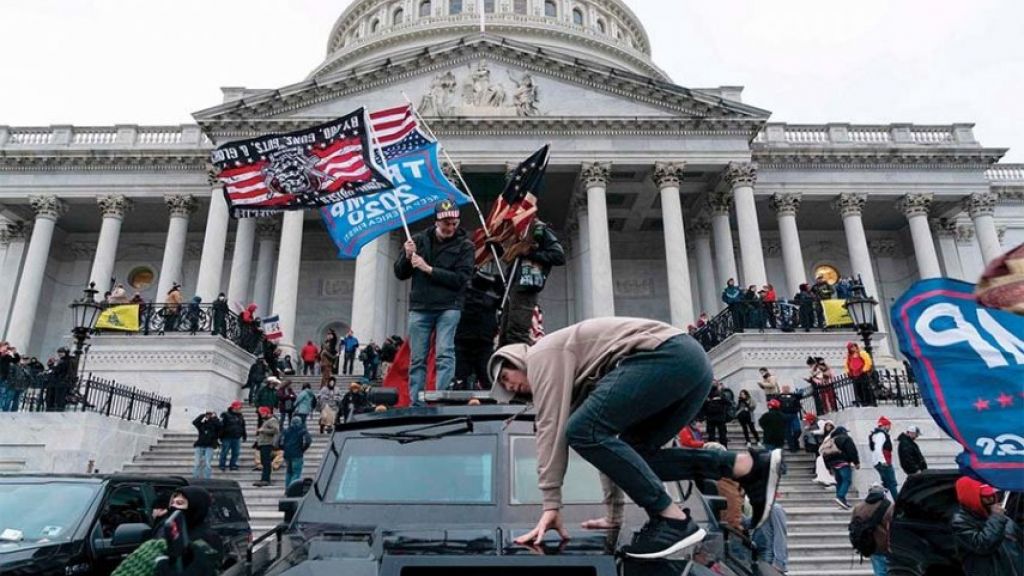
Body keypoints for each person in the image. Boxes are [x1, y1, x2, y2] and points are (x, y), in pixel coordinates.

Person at [487, 317, 783, 559]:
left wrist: (551, 505)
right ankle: (745, 466)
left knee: (580, 430)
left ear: (515, 359)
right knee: (633, 454)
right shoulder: (578, 377)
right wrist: (615, 516)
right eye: (504, 389)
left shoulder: (541, 356)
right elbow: (611, 454)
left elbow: (550, 430)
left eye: (505, 378)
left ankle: (672, 520)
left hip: (667, 356)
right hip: (691, 365)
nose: (510, 388)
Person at [394, 200, 475, 403]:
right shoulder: (418, 241)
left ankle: (442, 399)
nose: (451, 228)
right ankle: (416, 402)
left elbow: (461, 279)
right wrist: (407, 256)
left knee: (444, 353)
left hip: (449, 306)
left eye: (454, 223)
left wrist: (428, 269)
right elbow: (401, 273)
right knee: (417, 358)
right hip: (421, 306)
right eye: (446, 223)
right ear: (437, 221)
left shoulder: (465, 245)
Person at [499, 219, 566, 346]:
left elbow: (558, 256)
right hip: (513, 287)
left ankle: (520, 357)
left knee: (517, 333)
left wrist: (530, 253)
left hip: (527, 285)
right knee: (505, 334)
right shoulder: (516, 234)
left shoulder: (538, 230)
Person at [952, 476, 1023, 576]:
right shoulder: (961, 522)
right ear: (972, 498)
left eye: (992, 495)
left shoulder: (1004, 520)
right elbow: (983, 545)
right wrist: (996, 518)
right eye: (985, 496)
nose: (991, 499)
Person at [149, 486, 226, 573]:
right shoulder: (170, 529)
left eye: (179, 503)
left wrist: (163, 565)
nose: (173, 506)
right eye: (172, 503)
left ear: (195, 507)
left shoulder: (208, 538)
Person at [454, 270, 503, 390]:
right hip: (466, 339)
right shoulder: (464, 280)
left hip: (480, 340)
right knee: (462, 381)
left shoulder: (497, 286)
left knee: (486, 380)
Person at [849, 484, 894, 576]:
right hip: (886, 545)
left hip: (869, 545)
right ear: (883, 494)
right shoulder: (889, 506)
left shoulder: (858, 507)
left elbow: (852, 525)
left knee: (879, 572)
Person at [822, 425, 859, 510]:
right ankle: (840, 497)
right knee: (847, 480)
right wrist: (856, 462)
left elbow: (824, 455)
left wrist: (828, 467)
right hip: (843, 463)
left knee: (839, 481)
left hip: (833, 465)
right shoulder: (846, 439)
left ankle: (842, 501)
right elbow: (852, 451)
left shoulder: (830, 440)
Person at [751, 501, 788, 574]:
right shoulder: (760, 508)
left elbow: (780, 536)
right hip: (759, 558)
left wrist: (779, 563)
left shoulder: (775, 509)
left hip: (769, 559)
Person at [870, 416, 899, 499]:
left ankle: (876, 498)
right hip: (884, 462)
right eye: (889, 425)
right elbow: (878, 448)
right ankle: (898, 502)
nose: (890, 427)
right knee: (892, 483)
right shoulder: (881, 435)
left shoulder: (876, 435)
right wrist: (883, 461)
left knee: (886, 483)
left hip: (879, 462)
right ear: (885, 426)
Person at [281, 416, 313, 491]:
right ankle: (292, 490)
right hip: (297, 454)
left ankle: (287, 489)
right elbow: (308, 441)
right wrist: (302, 449)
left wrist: (284, 448)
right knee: (296, 473)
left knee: (289, 472)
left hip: (287, 454)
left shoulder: (286, 431)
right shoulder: (303, 431)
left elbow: (279, 441)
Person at [253, 407, 280, 487]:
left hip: (267, 444)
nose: (261, 415)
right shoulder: (266, 421)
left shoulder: (272, 420)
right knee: (264, 462)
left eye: (263, 413)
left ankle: (266, 479)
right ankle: (263, 478)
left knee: (266, 462)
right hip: (263, 443)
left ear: (267, 413)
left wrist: (263, 430)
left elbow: (276, 430)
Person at [218, 401, 246, 472]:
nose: (240, 409)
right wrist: (220, 436)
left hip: (237, 437)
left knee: (236, 452)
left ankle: (233, 465)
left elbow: (243, 426)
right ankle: (222, 465)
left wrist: (244, 435)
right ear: (234, 408)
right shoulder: (225, 415)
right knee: (224, 452)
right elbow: (221, 426)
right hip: (227, 437)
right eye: (239, 408)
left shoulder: (240, 416)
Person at [192, 411, 221, 479]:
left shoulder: (215, 426)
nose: (209, 416)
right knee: (197, 463)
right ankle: (195, 478)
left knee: (207, 463)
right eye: (208, 415)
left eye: (210, 415)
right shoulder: (202, 425)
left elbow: (220, 425)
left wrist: (214, 418)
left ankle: (207, 479)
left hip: (210, 446)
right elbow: (194, 422)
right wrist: (203, 415)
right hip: (200, 445)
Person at [845, 341, 876, 407]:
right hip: (854, 374)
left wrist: (864, 369)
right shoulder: (849, 356)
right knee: (858, 389)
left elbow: (868, 361)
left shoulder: (861, 353)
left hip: (862, 373)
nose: (852, 348)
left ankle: (870, 401)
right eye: (851, 347)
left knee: (865, 388)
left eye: (853, 346)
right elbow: (847, 365)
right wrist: (849, 372)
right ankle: (863, 401)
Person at [777, 384, 804, 452]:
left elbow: (799, 399)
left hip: (793, 415)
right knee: (787, 432)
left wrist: (797, 409)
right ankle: (792, 447)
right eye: (784, 388)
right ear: (782, 389)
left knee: (798, 430)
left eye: (787, 388)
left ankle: (795, 441)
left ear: (789, 389)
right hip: (784, 416)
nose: (786, 389)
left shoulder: (794, 396)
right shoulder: (778, 397)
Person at [814, 420, 838, 487]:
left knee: (821, 460)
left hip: (832, 453)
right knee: (819, 460)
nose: (828, 426)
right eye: (826, 425)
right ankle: (823, 478)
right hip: (826, 453)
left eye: (829, 425)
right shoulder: (826, 434)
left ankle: (829, 479)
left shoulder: (832, 434)